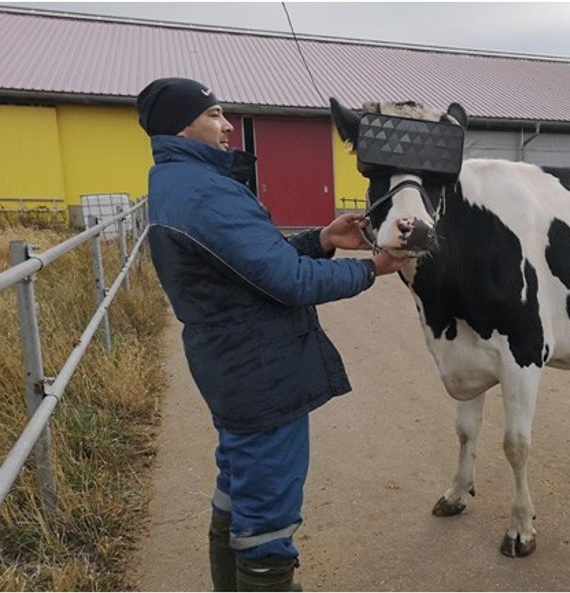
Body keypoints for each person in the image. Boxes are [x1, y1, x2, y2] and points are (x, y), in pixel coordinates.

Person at [136, 77, 409, 591]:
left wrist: (323, 239)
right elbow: (289, 281)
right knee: (268, 518)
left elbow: (254, 264)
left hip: (234, 363)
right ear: (182, 125)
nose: (227, 124)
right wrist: (371, 268)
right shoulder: (204, 192)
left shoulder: (182, 183)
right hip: (259, 370)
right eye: (215, 113)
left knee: (238, 489)